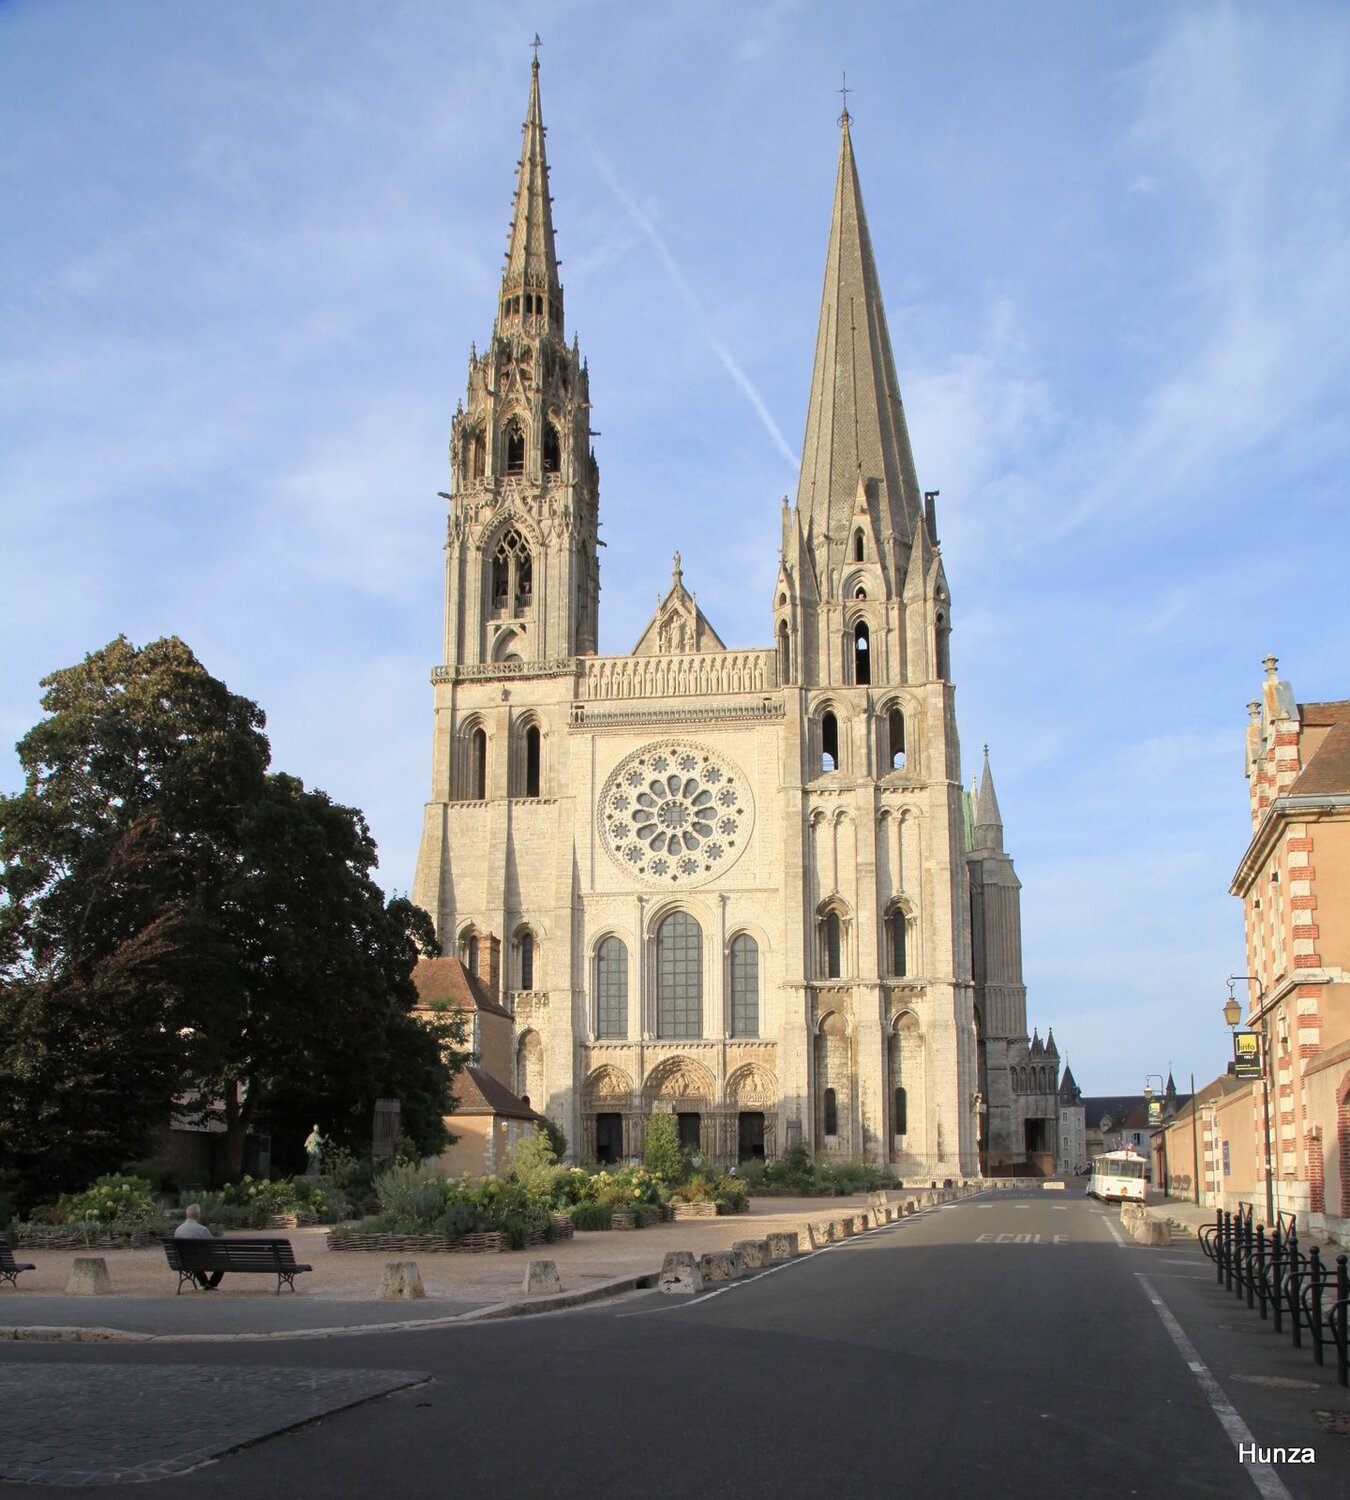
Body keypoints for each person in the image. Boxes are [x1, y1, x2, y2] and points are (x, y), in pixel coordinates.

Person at [174, 1203, 223, 1290]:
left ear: (187, 1215)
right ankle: (211, 1283)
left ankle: (204, 1283)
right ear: (198, 1215)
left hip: (183, 1262)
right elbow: (212, 1245)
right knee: (223, 1262)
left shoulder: (178, 1230)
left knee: (193, 1260)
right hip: (201, 1261)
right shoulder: (202, 1229)